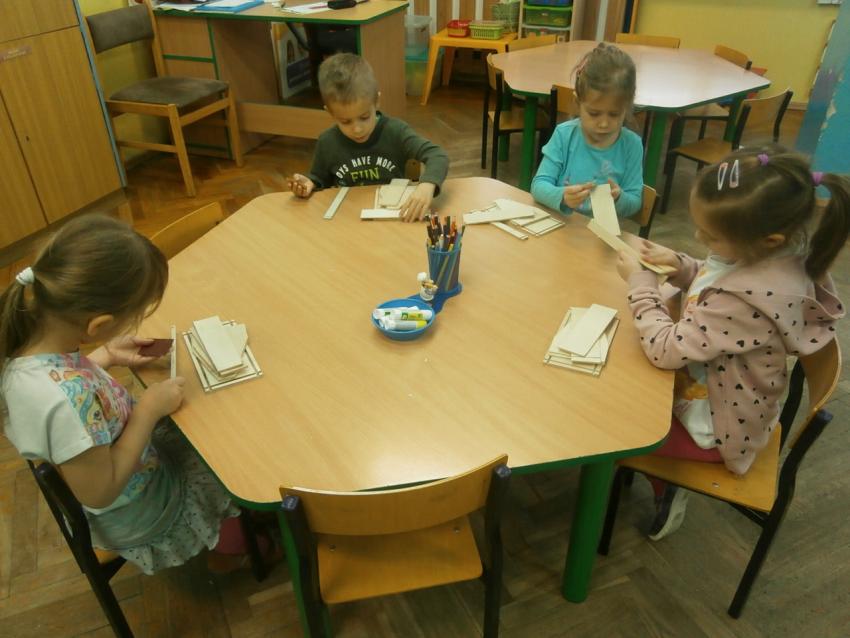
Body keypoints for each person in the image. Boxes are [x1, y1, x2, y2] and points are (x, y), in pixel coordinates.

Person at [0, 215, 258, 574]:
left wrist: (106, 355)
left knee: (210, 431)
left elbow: (65, 385)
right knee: (228, 462)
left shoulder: (28, 346)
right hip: (139, 508)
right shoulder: (63, 404)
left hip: (126, 460)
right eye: (133, 316)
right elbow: (99, 491)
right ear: (99, 325)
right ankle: (232, 551)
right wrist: (147, 410)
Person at [615, 151, 849, 540]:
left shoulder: (748, 298)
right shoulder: (771, 254)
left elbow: (664, 350)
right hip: (722, 392)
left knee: (614, 429)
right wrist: (681, 265)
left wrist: (640, 285)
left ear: (768, 240)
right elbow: (714, 277)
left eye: (710, 236)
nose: (699, 239)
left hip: (719, 429)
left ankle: (667, 484)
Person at [287, 53, 449, 222]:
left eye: (364, 117)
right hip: (347, 219)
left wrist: (427, 185)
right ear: (330, 113)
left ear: (376, 101)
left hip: (390, 217)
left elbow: (437, 155)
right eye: (345, 121)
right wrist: (310, 183)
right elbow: (320, 179)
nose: (357, 129)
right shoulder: (327, 142)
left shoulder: (395, 131)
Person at [531, 42, 643, 218]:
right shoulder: (564, 135)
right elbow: (538, 186)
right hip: (561, 226)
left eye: (614, 114)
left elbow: (635, 201)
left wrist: (619, 198)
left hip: (600, 232)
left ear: (627, 107)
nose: (604, 124)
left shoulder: (631, 145)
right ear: (578, 103)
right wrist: (563, 197)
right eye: (594, 113)